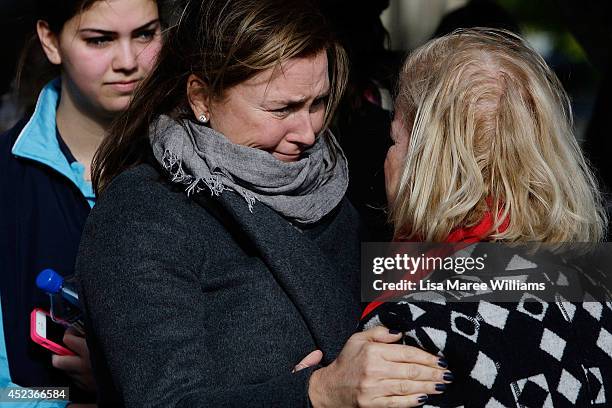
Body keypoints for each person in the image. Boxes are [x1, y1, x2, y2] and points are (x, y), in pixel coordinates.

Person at [76, 0, 453, 406]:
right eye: (282, 108)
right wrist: (317, 393)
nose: (308, 132)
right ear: (201, 98)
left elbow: (424, 274)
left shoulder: (329, 183)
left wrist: (522, 262)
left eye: (318, 103)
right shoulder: (145, 213)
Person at [363, 28, 612, 407]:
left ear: (428, 161)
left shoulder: (413, 332)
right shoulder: (598, 288)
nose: (387, 158)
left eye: (395, 139)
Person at [0, 0, 162, 404]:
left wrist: (123, 378)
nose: (128, 61)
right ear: (50, 41)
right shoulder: (7, 180)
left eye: (145, 33)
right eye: (99, 39)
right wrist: (71, 399)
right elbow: (8, 393)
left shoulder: (206, 163)